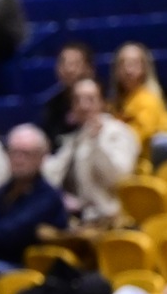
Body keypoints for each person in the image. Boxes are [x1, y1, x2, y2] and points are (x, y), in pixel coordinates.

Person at [0, 124, 67, 267]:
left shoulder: (48, 198)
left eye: (26, 153)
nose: (18, 159)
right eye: (14, 152)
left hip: (26, 270)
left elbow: (10, 236)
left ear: (41, 157)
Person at [43, 78, 138, 226]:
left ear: (102, 103)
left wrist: (96, 144)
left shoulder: (118, 132)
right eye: (77, 100)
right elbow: (52, 172)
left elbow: (118, 177)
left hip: (108, 216)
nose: (83, 106)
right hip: (77, 216)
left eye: (90, 99)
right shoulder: (77, 136)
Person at [107, 42, 167, 162]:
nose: (128, 69)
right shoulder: (114, 104)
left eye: (134, 64)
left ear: (144, 68)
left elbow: (138, 140)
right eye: (123, 64)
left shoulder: (149, 101)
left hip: (148, 163)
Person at [39, 41, 96, 144]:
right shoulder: (52, 106)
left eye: (75, 64)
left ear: (89, 69)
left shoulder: (106, 101)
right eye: (63, 63)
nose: (68, 69)